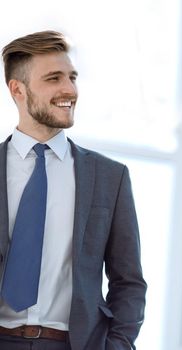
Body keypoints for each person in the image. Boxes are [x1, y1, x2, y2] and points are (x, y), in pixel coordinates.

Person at [0, 31, 146, 349]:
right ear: (18, 90)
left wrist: (118, 345)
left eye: (72, 77)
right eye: (53, 78)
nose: (69, 89)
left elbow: (129, 281)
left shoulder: (110, 177)